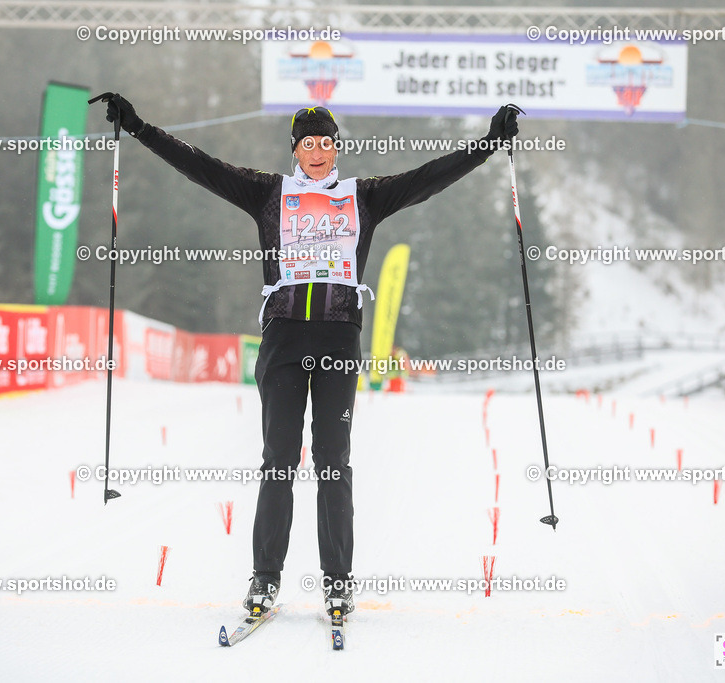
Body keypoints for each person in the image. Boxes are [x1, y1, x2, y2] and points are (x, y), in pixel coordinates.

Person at [99, 96, 518, 618]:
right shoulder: (267, 192)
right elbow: (199, 165)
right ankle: (265, 578)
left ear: (337, 148)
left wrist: (489, 144)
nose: (318, 153)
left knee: (332, 463)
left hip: (339, 340)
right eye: (307, 144)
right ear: (294, 150)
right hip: (284, 341)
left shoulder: (362, 197)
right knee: (278, 462)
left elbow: (430, 176)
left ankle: (337, 581)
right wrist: (138, 127)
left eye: (326, 143)